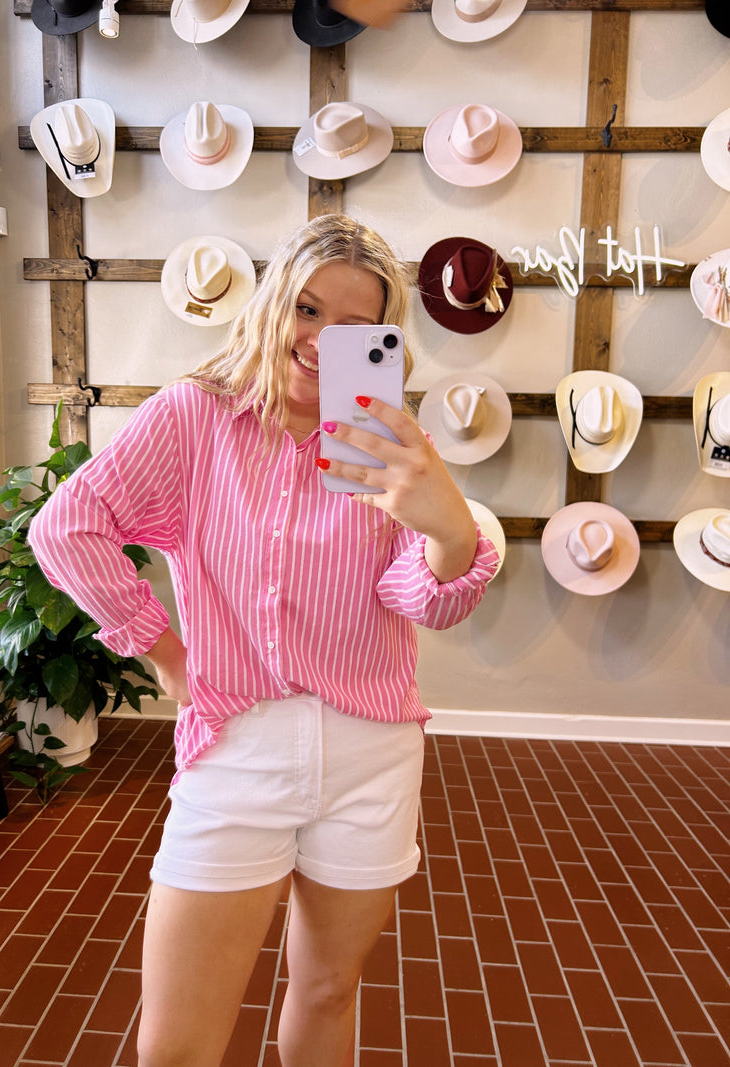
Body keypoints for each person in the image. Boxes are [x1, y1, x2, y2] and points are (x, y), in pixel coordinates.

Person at [29, 213, 499, 1067]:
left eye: (355, 328)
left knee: (327, 992)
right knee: (176, 1046)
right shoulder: (195, 418)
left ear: (383, 341)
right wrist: (166, 653)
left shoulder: (389, 443)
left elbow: (419, 600)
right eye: (308, 309)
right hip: (235, 747)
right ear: (274, 300)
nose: (320, 340)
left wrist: (450, 533)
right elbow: (66, 527)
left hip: (372, 753)